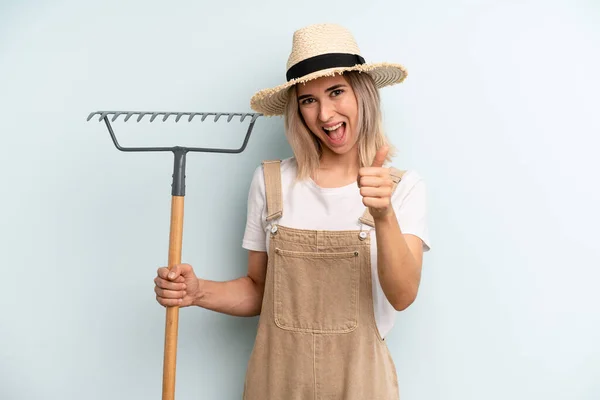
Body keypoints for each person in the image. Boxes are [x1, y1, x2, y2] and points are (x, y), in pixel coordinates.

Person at [154, 23, 431, 399]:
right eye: (308, 100)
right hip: (276, 383)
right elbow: (259, 291)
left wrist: (383, 216)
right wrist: (197, 291)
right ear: (297, 111)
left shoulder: (401, 188)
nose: (325, 114)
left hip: (361, 384)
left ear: (362, 94)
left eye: (336, 92)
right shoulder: (271, 182)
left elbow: (402, 296)